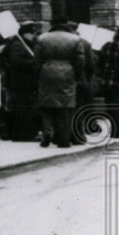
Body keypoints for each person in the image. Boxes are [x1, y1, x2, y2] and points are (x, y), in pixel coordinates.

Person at [34, 17, 85, 149]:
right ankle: (63, 139)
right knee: (65, 106)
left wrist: (39, 74)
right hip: (67, 72)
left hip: (47, 71)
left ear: (52, 25)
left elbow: (37, 60)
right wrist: (77, 75)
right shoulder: (75, 39)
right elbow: (80, 61)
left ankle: (48, 133)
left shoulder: (42, 38)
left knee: (46, 105)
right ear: (66, 24)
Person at [0, 22, 41, 141]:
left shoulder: (25, 44)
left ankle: (27, 133)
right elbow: (16, 61)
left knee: (27, 108)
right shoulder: (17, 44)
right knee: (23, 109)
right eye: (31, 33)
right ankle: (23, 134)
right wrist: (33, 63)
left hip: (25, 82)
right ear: (25, 33)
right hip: (20, 82)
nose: (33, 35)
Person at [71, 21, 97, 145]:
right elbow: (91, 65)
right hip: (80, 80)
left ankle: (60, 135)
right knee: (79, 108)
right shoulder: (84, 43)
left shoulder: (45, 39)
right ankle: (78, 135)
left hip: (57, 80)